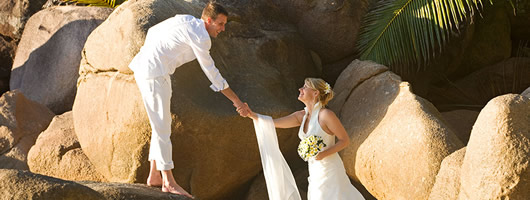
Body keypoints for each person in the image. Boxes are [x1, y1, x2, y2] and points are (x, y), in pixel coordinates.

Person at [128, 1, 250, 197]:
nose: (223, 29)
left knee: (160, 124)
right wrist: (236, 101)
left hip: (154, 71)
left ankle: (154, 175)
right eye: (220, 24)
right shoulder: (201, 36)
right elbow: (212, 72)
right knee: (162, 128)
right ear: (208, 20)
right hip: (153, 73)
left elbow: (152, 32)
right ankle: (168, 181)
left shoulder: (185, 20)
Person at [243, 78, 365, 199]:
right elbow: (272, 123)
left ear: (315, 93)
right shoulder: (301, 116)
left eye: (305, 87)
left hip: (330, 169)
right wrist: (252, 115)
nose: (300, 89)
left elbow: (345, 140)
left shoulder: (326, 115)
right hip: (314, 171)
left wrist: (323, 154)